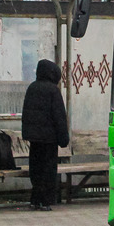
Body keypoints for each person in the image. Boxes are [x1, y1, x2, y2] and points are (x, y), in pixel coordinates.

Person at [21, 59, 70, 211]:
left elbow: (26, 113)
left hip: (35, 139)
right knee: (48, 170)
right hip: (49, 139)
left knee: (36, 169)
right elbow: (59, 116)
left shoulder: (32, 88)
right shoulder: (53, 90)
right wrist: (63, 138)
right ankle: (45, 200)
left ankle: (35, 199)